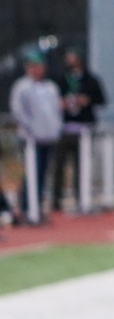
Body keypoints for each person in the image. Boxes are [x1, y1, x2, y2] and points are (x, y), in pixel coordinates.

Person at [8, 52, 62, 224]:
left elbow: (56, 111)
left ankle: (37, 207)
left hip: (48, 137)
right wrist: (31, 129)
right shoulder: (22, 87)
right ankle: (27, 208)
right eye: (34, 66)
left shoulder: (50, 87)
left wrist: (55, 129)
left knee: (43, 174)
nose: (37, 70)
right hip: (30, 139)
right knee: (32, 173)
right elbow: (18, 110)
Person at [52, 47, 104, 213]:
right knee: (59, 165)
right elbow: (53, 101)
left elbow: (101, 99)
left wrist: (87, 100)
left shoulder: (91, 80)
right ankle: (56, 199)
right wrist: (61, 103)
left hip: (84, 130)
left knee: (81, 166)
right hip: (64, 129)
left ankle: (81, 197)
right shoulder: (61, 80)